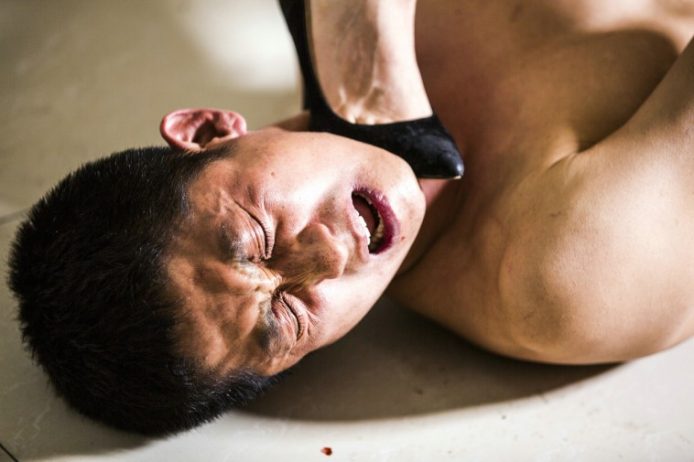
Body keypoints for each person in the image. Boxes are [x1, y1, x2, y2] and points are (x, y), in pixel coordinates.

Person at [8, 0, 694, 436]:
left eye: (258, 237)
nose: (328, 257)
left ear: (209, 131)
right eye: (290, 318)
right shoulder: (556, 267)